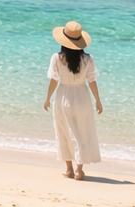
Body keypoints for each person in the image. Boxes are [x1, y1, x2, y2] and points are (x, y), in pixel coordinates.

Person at [43, 21, 103, 180]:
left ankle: (69, 169)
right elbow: (92, 81)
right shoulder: (88, 59)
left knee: (64, 132)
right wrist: (98, 100)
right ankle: (79, 169)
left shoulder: (57, 58)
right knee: (82, 132)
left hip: (64, 97)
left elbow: (54, 80)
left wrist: (48, 98)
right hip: (82, 97)